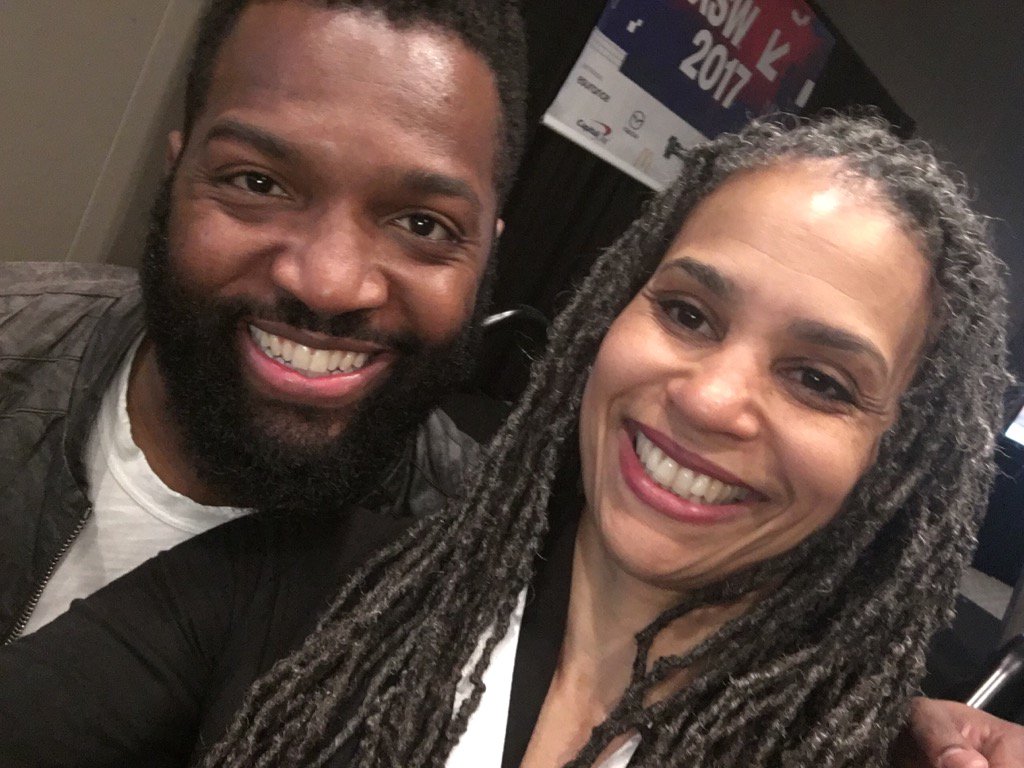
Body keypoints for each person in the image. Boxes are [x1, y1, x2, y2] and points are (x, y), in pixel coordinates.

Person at [3, 115, 1023, 767]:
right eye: (686, 314)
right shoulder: (288, 591)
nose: (713, 399)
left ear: (894, 463)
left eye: (818, 380)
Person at [0, 0, 526, 640]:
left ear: (487, 254)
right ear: (175, 176)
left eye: (423, 224)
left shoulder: (479, 576)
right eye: (257, 183)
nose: (328, 284)